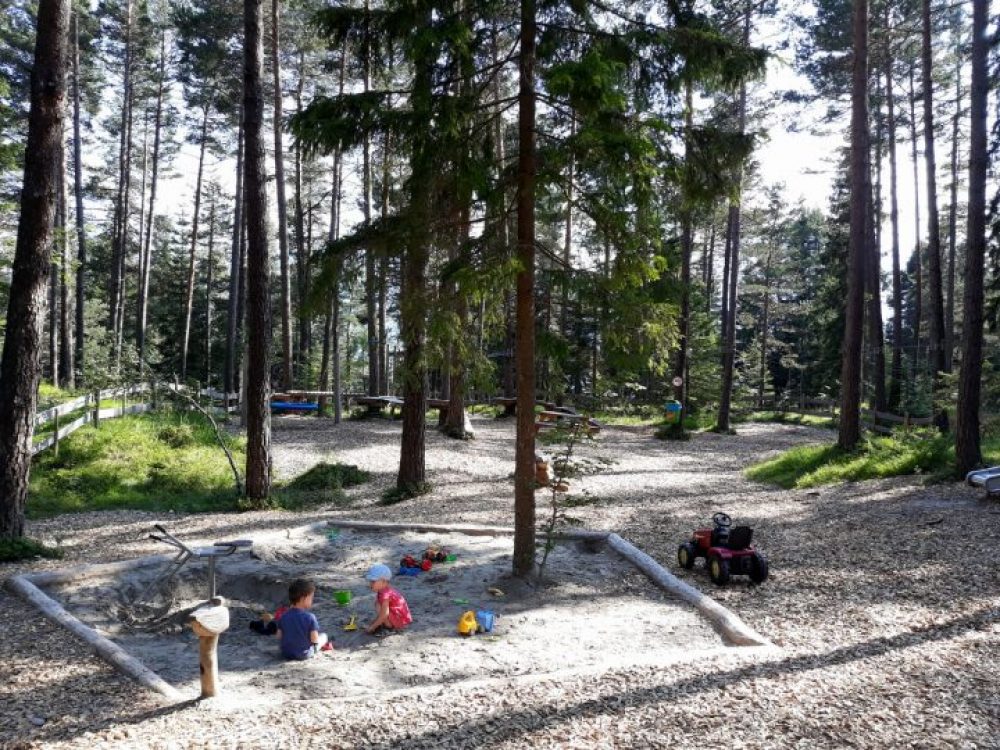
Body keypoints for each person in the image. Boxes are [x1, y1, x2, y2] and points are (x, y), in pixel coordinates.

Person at [277, 578, 331, 660]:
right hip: (304, 654)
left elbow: (279, 636)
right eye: (311, 598)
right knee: (324, 636)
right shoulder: (310, 617)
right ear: (304, 599)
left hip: (286, 653)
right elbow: (315, 640)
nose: (312, 600)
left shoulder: (283, 616)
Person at [364, 563, 412, 635]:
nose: (370, 584)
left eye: (373, 581)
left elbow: (384, 614)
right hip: (401, 616)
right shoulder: (384, 590)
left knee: (378, 605)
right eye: (370, 581)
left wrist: (372, 627)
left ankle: (389, 626)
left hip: (400, 619)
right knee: (378, 603)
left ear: (384, 581)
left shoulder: (385, 594)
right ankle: (386, 622)